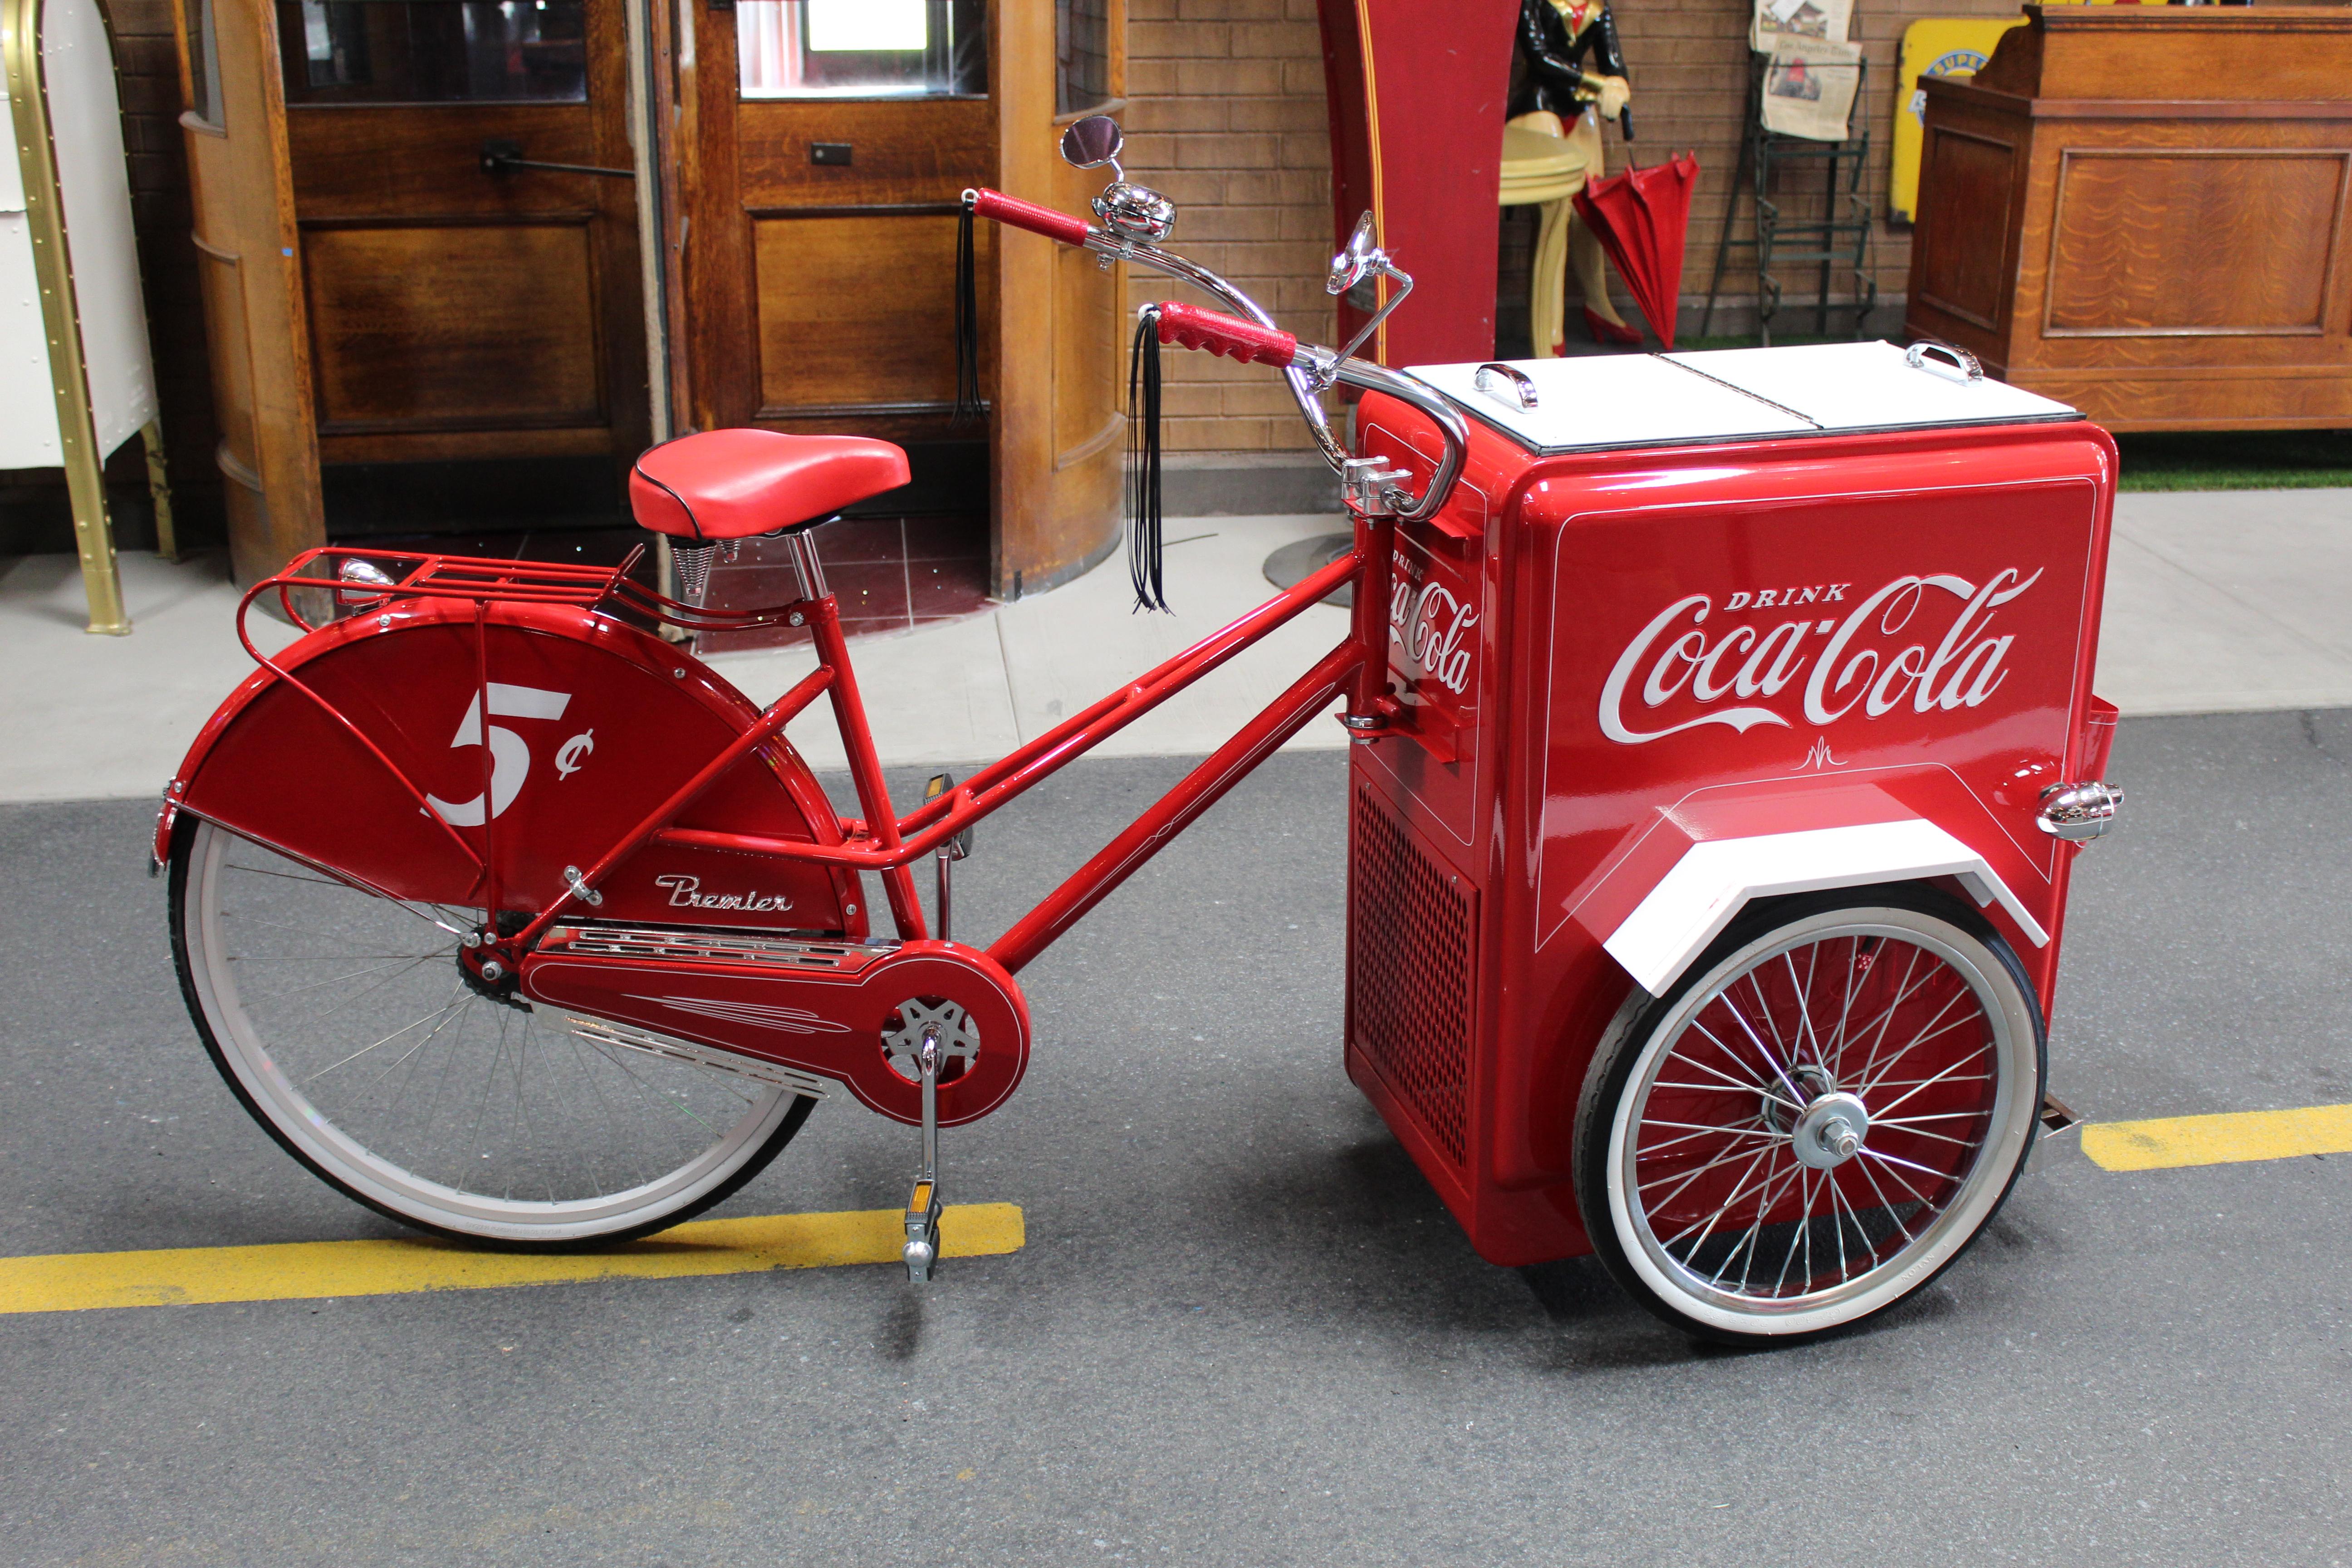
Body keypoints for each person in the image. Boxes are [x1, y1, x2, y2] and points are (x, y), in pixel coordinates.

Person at [1509, 0, 1640, 347]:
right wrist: (1599, 84)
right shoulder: (1534, 3)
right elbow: (1539, 58)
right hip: (1539, 104)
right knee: (1558, 215)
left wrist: (1619, 86)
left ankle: (1599, 304)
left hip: (1579, 106)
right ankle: (1550, 327)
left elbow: (1614, 63)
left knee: (1591, 210)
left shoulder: (1598, 6)